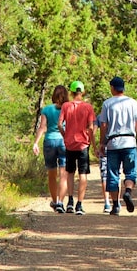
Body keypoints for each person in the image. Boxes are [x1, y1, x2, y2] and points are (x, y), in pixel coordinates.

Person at [97, 76, 137, 216]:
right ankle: (128, 192)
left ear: (112, 88)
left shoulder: (107, 104)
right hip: (129, 142)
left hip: (113, 143)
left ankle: (115, 205)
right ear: (123, 88)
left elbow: (104, 125)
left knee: (113, 174)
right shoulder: (132, 103)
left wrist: (102, 143)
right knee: (130, 172)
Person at [58, 80, 96, 215]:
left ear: (72, 92)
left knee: (70, 173)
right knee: (83, 174)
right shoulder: (88, 107)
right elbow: (91, 127)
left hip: (70, 144)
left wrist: (65, 136)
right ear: (83, 92)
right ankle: (79, 204)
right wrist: (93, 144)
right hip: (83, 144)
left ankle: (69, 202)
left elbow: (59, 124)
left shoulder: (66, 106)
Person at [32, 85, 69, 213]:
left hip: (49, 141)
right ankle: (61, 202)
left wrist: (36, 142)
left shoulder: (47, 109)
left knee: (52, 175)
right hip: (64, 141)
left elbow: (42, 127)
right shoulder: (68, 109)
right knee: (63, 174)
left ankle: (54, 200)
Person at [94, 115, 111, 213]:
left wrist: (95, 146)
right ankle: (116, 201)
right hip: (116, 146)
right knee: (116, 173)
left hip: (103, 148)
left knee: (104, 175)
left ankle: (107, 202)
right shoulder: (115, 115)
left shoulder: (100, 117)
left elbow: (94, 130)